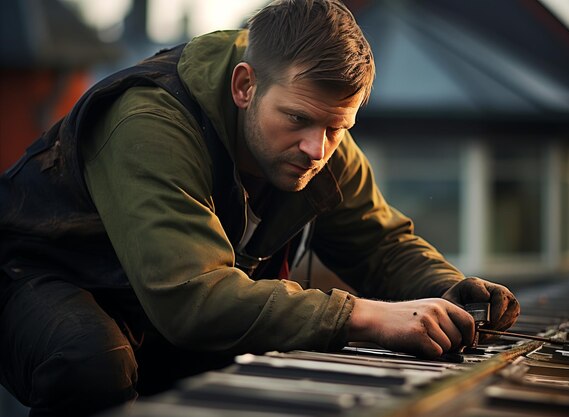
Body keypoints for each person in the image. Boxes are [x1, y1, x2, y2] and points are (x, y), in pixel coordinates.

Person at [0, 0, 520, 416]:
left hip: (151, 299)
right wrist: (363, 314)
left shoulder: (318, 136)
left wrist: (447, 289)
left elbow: (380, 242)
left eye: (338, 128)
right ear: (245, 85)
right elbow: (192, 300)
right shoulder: (148, 122)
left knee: (250, 366)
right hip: (36, 273)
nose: (316, 149)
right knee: (91, 364)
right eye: (297, 119)